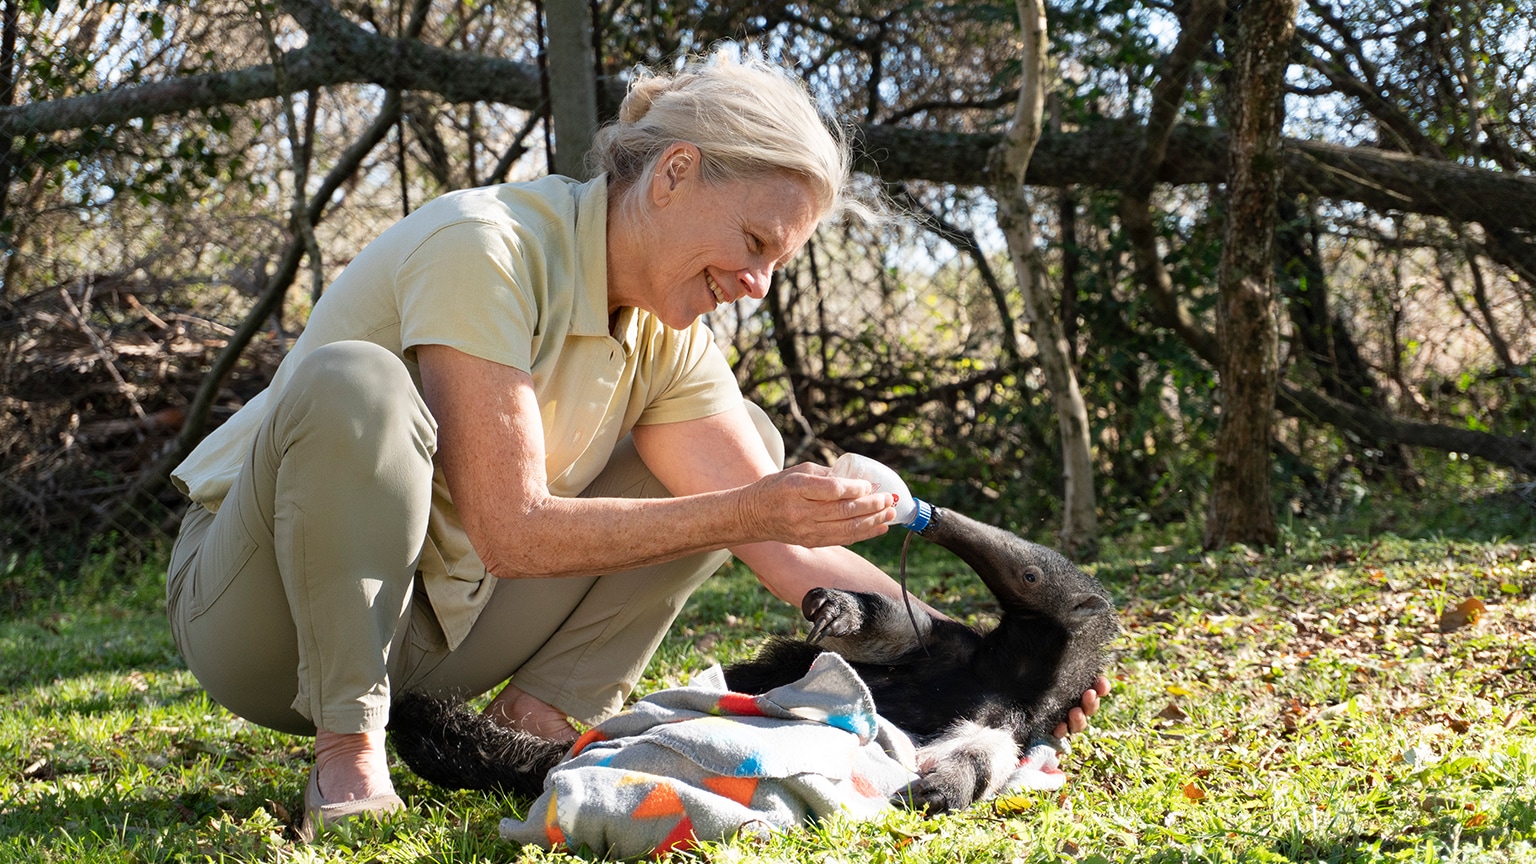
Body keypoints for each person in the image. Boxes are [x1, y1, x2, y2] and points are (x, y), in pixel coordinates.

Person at [165, 50, 1107, 839]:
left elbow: (782, 554)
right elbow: (511, 531)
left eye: (778, 262)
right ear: (674, 173)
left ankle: (523, 732)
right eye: (753, 242)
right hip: (261, 621)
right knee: (353, 384)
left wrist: (996, 668)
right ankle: (347, 755)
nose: (758, 284)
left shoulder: (670, 338)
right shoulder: (482, 246)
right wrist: (746, 505)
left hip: (432, 637)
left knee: (738, 463)